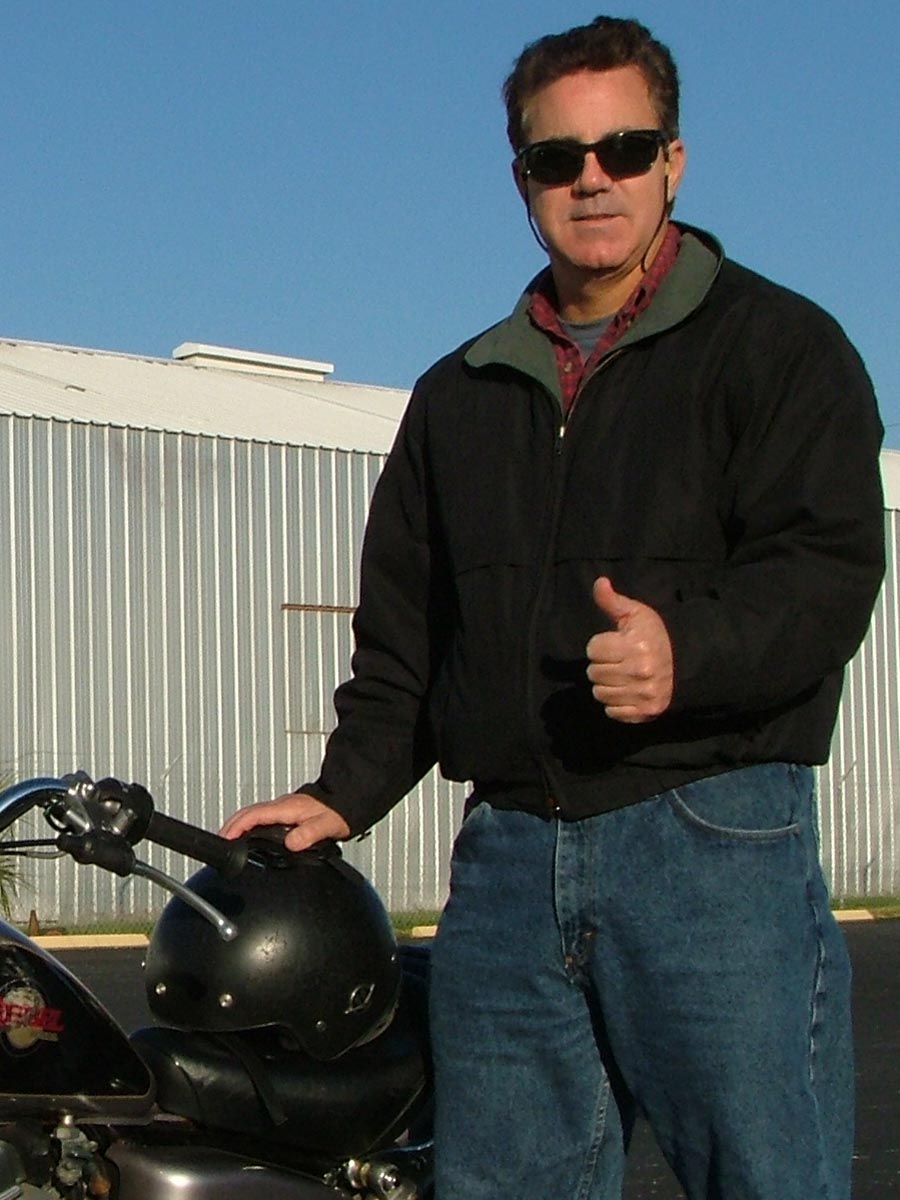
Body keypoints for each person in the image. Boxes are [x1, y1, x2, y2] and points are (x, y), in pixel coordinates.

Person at [221, 15, 885, 1199]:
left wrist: (689, 650)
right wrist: (343, 792)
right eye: (557, 157)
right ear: (521, 178)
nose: (592, 179)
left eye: (624, 149)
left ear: (672, 161)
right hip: (511, 860)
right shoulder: (461, 393)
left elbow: (827, 569)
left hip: (711, 840)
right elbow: (408, 636)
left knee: (766, 1177)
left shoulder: (780, 348)